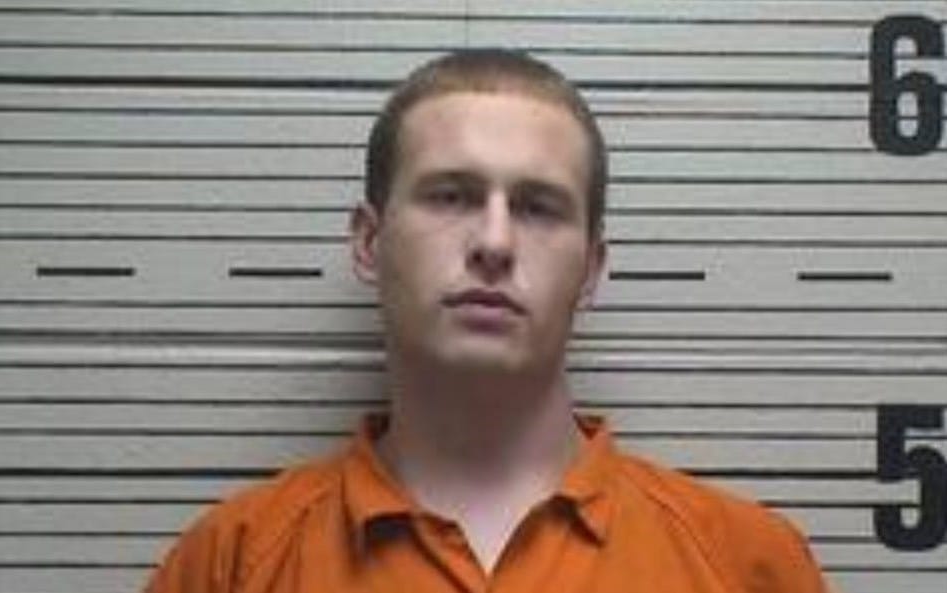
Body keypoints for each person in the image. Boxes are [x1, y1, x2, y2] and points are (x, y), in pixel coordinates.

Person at [144, 49, 829, 593]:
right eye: (450, 196)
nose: (494, 243)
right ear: (369, 243)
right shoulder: (229, 563)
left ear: (590, 268)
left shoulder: (747, 565)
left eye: (537, 207)